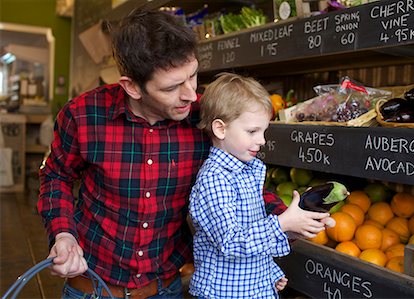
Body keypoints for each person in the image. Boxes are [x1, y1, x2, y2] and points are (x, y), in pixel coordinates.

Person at [38, 4, 332, 299]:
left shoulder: (205, 117)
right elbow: (55, 176)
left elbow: (242, 183)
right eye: (172, 87)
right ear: (132, 87)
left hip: (166, 288)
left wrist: (291, 219)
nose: (190, 94)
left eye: (192, 76)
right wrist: (63, 233)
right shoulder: (84, 115)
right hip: (92, 287)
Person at [188, 73, 334, 299]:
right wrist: (282, 223)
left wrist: (269, 271)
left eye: (264, 131)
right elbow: (231, 242)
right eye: (252, 131)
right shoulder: (215, 179)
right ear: (220, 129)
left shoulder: (249, 171)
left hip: (253, 288)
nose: (262, 140)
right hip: (225, 294)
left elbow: (253, 235)